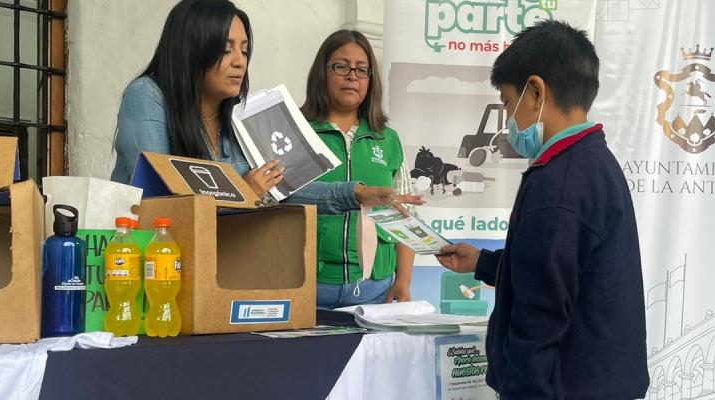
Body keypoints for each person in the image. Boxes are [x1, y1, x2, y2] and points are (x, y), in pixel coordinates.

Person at [435, 20, 649, 399]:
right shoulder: (594, 161)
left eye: (507, 103)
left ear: (535, 92)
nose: (509, 121)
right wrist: (482, 263)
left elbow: (539, 318)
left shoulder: (557, 183)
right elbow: (559, 273)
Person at [110, 0, 421, 214]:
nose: (240, 61)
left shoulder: (243, 115)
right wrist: (244, 193)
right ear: (192, 48)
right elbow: (162, 196)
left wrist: (357, 193)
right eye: (226, 49)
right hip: (148, 263)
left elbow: (286, 188)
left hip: (212, 266)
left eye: (244, 50)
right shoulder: (147, 95)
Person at [301, 30, 415, 310]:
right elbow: (278, 201)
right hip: (308, 289)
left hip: (376, 291)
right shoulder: (297, 132)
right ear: (322, 72)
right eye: (341, 66)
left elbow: (406, 217)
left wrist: (403, 281)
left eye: (362, 70)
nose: (352, 76)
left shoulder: (388, 139)